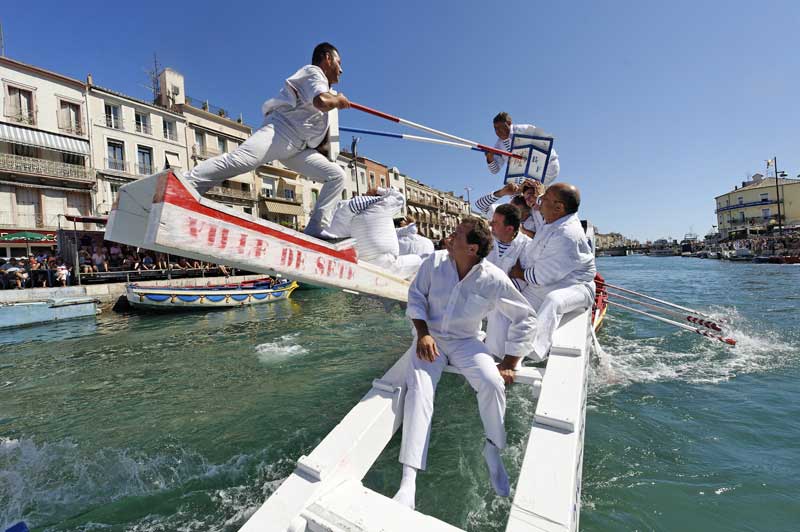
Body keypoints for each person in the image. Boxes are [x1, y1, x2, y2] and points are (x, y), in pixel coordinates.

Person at [394, 217, 536, 509]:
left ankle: (493, 448)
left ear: (471, 248)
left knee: (491, 382)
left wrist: (510, 360)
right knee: (420, 390)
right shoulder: (433, 263)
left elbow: (526, 316)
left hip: (466, 341)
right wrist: (422, 334)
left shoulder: (493, 278)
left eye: (457, 234)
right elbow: (415, 297)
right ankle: (408, 482)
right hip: (429, 337)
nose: (450, 235)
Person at [184, 42, 351, 238]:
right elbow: (320, 102)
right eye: (339, 62)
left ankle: (316, 228)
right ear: (327, 58)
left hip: (299, 148)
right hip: (280, 131)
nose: (341, 69)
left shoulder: (324, 87)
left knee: (337, 176)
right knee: (241, 161)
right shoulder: (314, 73)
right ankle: (186, 183)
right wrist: (338, 101)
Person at [510, 183, 596, 361]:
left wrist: (518, 273)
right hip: (547, 283)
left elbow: (540, 277)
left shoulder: (566, 234)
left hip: (576, 286)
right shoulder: (552, 221)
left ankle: (535, 351)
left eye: (545, 198)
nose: (540, 202)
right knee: (513, 304)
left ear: (559, 207)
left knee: (554, 301)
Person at [349, 187, 422, 279]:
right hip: (385, 264)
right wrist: (378, 190)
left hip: (363, 265)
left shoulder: (354, 217)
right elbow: (400, 197)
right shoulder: (381, 207)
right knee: (418, 260)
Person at [485, 112, 559, 185]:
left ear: (509, 123)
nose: (497, 131)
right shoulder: (498, 146)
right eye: (495, 128)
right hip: (527, 177)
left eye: (500, 127)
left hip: (547, 167)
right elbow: (495, 170)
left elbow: (546, 144)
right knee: (517, 192)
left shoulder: (525, 129)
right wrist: (490, 158)